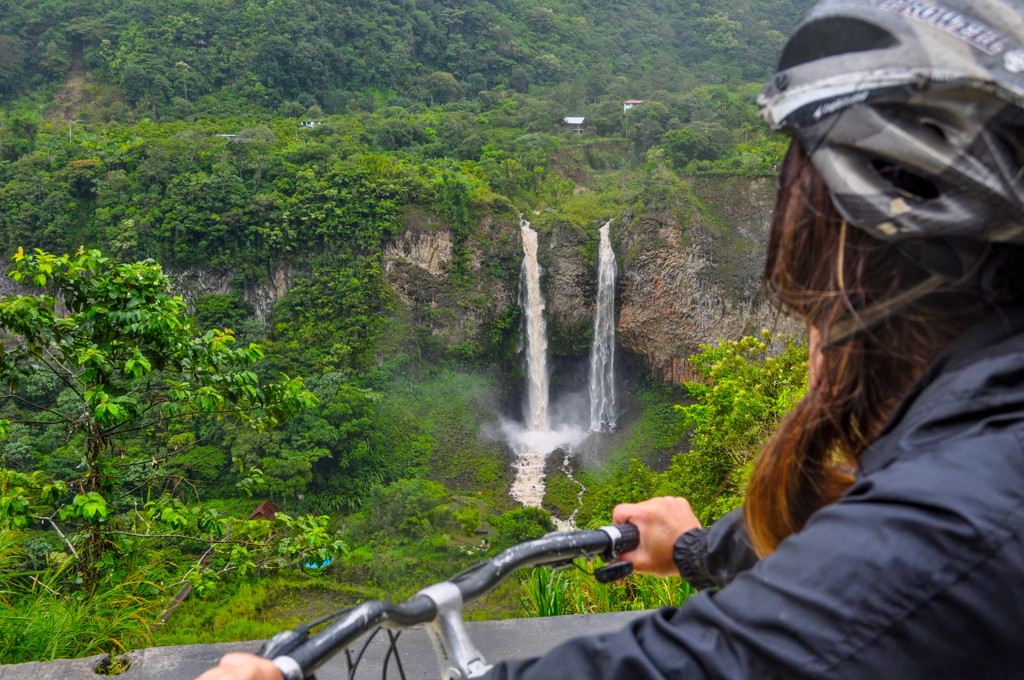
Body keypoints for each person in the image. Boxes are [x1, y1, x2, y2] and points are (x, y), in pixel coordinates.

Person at [197, 0, 1024, 678]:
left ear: (852, 256)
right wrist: (704, 548)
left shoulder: (958, 531)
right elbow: (862, 533)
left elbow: (715, 658)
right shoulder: (978, 448)